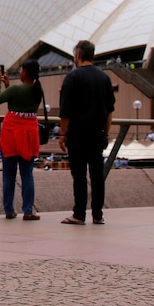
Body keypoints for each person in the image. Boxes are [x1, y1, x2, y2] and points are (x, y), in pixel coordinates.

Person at [58, 40, 115, 226]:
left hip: (77, 134)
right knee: (97, 176)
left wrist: (62, 134)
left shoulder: (73, 77)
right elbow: (110, 110)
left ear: (78, 55)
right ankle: (98, 215)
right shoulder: (104, 78)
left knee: (79, 175)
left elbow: (65, 111)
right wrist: (106, 133)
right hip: (98, 134)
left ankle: (79, 214)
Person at [0, 58, 44, 221]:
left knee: (9, 174)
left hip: (11, 133)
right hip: (29, 133)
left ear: (26, 72)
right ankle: (28, 210)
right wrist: (9, 86)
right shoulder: (37, 90)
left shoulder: (15, 89)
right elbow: (20, 100)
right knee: (27, 173)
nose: (19, 72)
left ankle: (9, 209)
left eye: (21, 69)